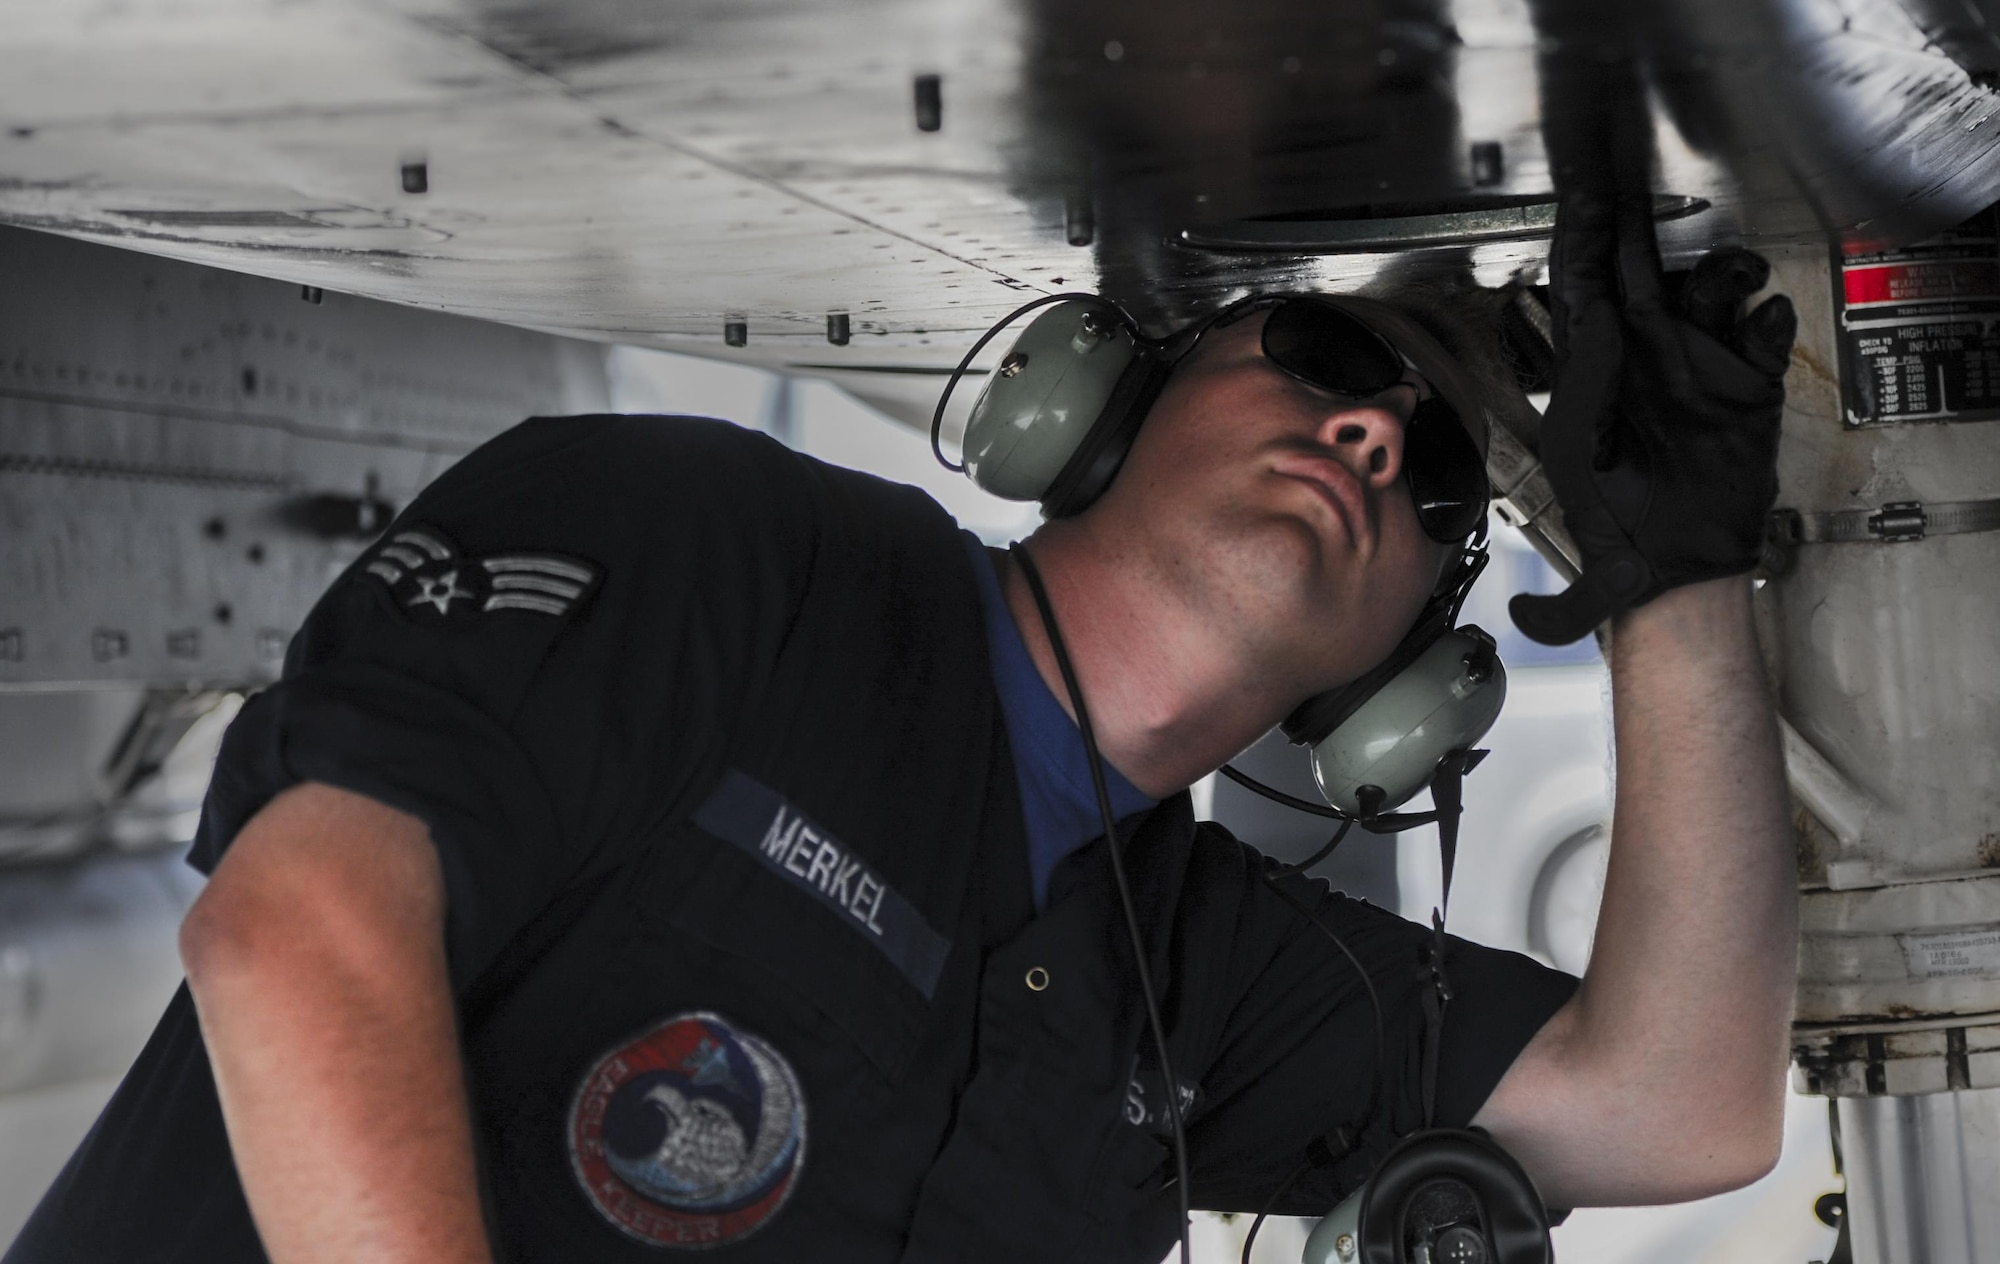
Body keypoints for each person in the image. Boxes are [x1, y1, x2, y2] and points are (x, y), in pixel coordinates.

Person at [7, 188, 1798, 1264]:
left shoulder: (1204, 978)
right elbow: (296, 927)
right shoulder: (716, 547)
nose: (1372, 441)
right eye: (1326, 367)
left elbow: (1679, 1107)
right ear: (1111, 407)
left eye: (1436, 482)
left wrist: (1678, 583)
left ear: (1415, 656)